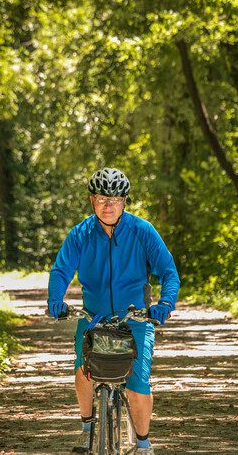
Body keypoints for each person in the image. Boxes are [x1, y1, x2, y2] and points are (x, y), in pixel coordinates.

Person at [47, 167, 180, 454]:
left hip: (135, 319)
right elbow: (61, 271)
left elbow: (169, 272)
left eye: (115, 199)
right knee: (83, 371)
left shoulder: (142, 231)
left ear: (124, 202)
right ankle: (86, 429)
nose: (108, 205)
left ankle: (143, 446)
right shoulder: (80, 234)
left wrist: (165, 304)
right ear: (92, 201)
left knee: (136, 383)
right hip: (92, 318)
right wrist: (55, 300)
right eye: (101, 199)